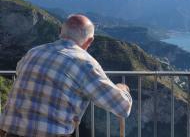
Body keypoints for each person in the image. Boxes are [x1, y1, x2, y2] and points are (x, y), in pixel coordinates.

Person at [0, 14, 132, 137]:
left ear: (60, 32)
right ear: (90, 41)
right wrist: (122, 89)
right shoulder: (85, 63)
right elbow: (122, 107)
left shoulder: (34, 52)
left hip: (11, 131)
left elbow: (19, 70)